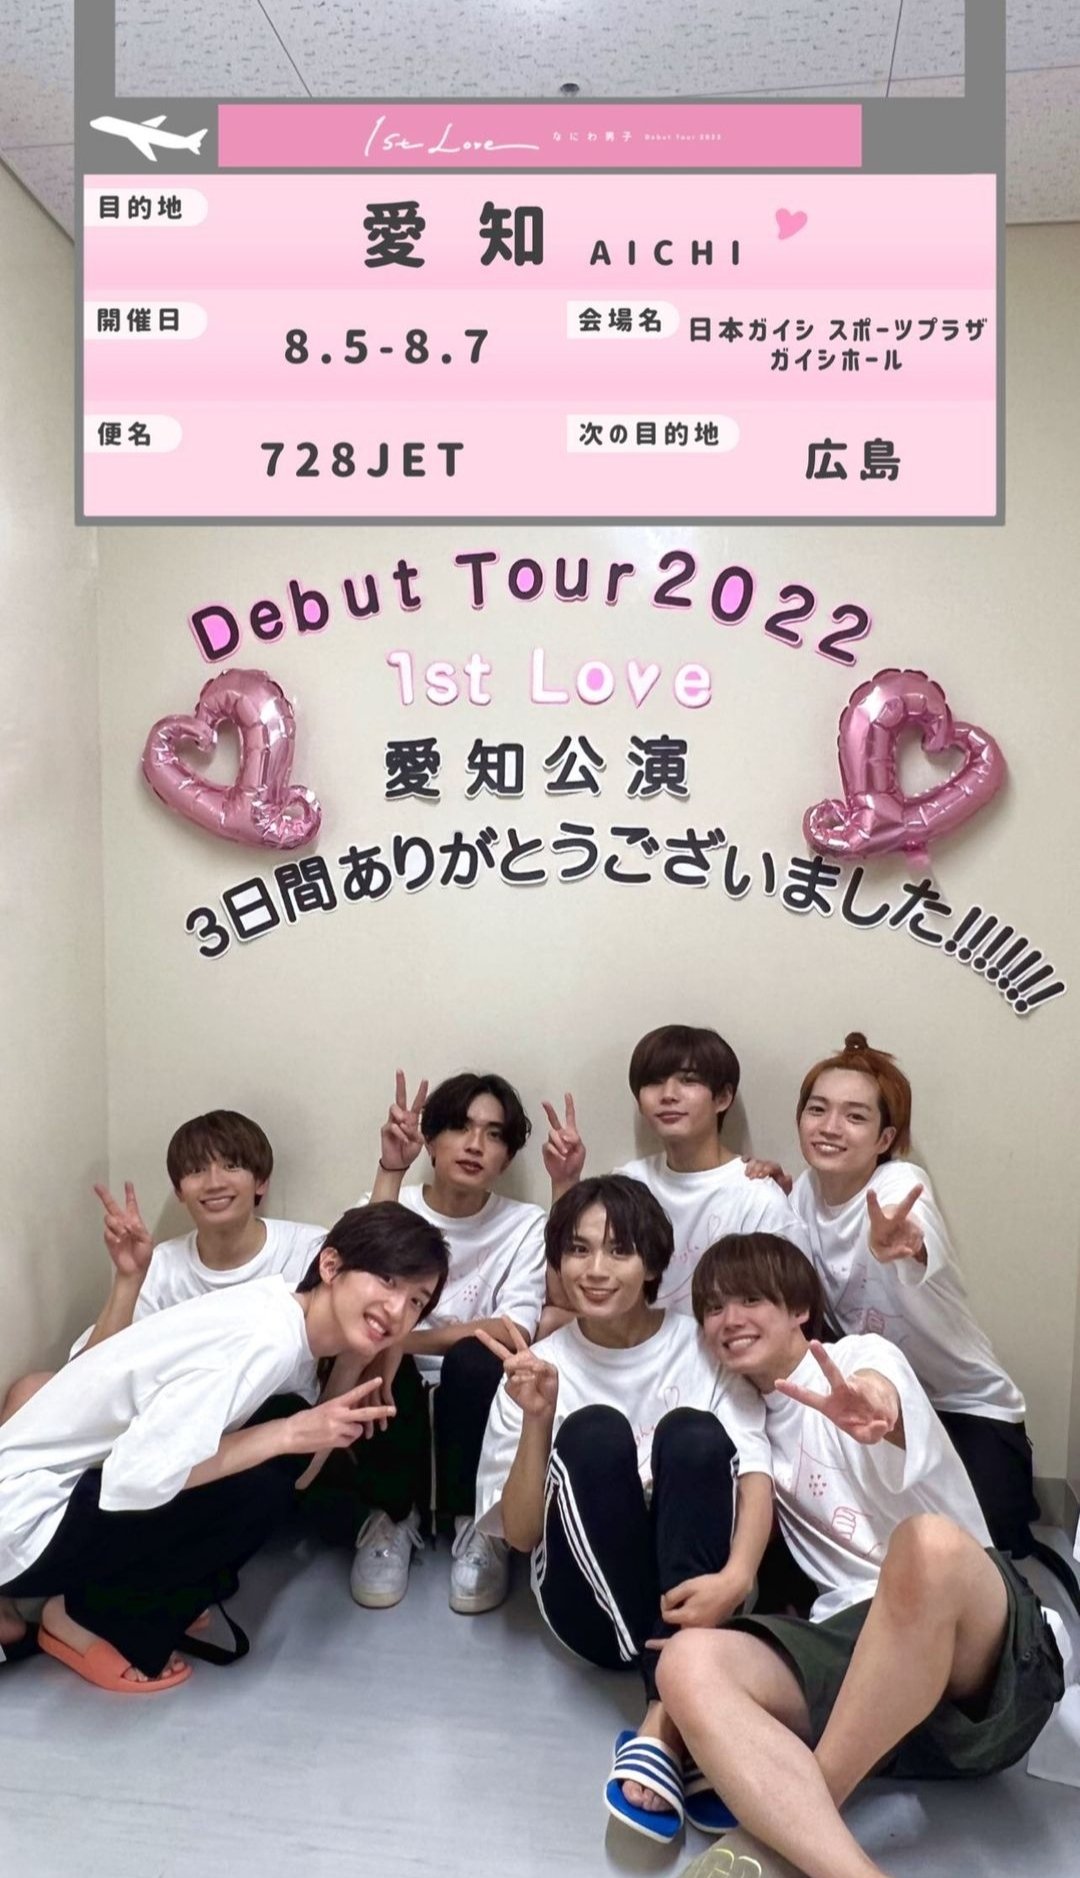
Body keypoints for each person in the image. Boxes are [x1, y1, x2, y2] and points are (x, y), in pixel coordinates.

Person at [654, 1231, 1064, 1878]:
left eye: (751, 1300)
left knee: (925, 1545)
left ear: (799, 1310)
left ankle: (784, 1828)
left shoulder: (858, 1357)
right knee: (687, 1662)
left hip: (982, 1645)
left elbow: (880, 1391)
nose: (729, 1319)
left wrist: (873, 1406)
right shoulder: (740, 1418)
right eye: (712, 1307)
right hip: (864, 1671)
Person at [0, 1203, 449, 1691]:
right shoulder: (268, 1338)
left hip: (59, 1495)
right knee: (262, 1482)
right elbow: (141, 1474)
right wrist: (285, 1434)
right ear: (330, 1265)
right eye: (386, 1280)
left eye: (416, 1301)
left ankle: (131, 1594)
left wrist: (349, 1369)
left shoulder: (287, 1318)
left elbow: (301, 1472)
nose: (397, 1310)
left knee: (276, 1452)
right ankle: (87, 1617)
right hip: (27, 1523)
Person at [474, 1176, 774, 1843]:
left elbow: (754, 1473)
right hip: (592, 1616)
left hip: (704, 1598)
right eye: (579, 1250)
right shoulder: (537, 1366)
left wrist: (738, 1577)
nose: (596, 1270)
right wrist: (539, 1418)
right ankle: (686, 1710)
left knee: (693, 1433)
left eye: (618, 1251)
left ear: (653, 1264)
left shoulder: (701, 1346)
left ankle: (665, 1720)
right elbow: (519, 1535)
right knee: (595, 1432)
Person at [783, 1032, 1053, 1576]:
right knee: (878, 1548)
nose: (830, 1127)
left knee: (979, 1557)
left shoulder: (901, 1183)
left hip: (964, 1409)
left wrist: (906, 1243)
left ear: (884, 1138)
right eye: (817, 1109)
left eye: (855, 1117)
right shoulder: (802, 1195)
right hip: (879, 1405)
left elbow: (915, 1227)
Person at [311, 1071, 546, 1617]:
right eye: (460, 1127)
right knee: (371, 1347)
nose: (474, 1144)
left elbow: (514, 1331)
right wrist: (390, 1170)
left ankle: (478, 1525)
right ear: (432, 1140)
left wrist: (407, 1338)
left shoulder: (524, 1224)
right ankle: (391, 1517)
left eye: (493, 1134)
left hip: (476, 1381)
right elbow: (349, 1291)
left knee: (474, 1357)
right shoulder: (396, 1202)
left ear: (507, 1157)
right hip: (398, 1381)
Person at [1, 1109, 327, 1422]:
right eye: (197, 1170)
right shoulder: (162, 1263)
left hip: (267, 1414)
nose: (214, 1182)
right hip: (170, 1410)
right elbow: (87, 1374)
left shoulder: (310, 1250)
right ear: (179, 1191)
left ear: (261, 1182)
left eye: (231, 1166)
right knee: (28, 1391)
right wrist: (129, 1277)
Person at [541, 1023, 806, 1328]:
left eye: (688, 1080)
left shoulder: (756, 1196)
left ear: (723, 1098)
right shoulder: (629, 1184)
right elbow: (563, 1298)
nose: (668, 1095)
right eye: (654, 1082)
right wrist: (565, 1181)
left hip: (721, 1347)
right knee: (551, 1321)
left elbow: (789, 1316)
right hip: (638, 1342)